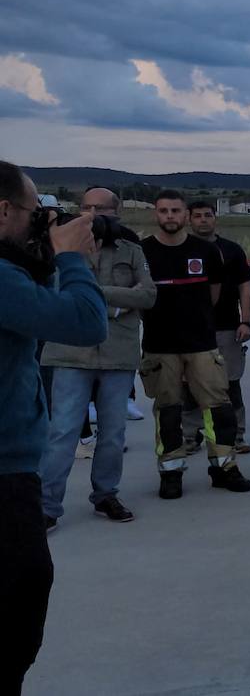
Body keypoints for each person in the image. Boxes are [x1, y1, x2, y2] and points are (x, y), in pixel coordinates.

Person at [0, 160, 106, 692]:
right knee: (23, 591)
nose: (41, 219)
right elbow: (85, 323)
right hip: (6, 471)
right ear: (3, 209)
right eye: (33, 210)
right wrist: (72, 258)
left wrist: (42, 249)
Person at [40, 188, 156, 529]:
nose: (92, 214)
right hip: (70, 352)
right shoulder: (60, 251)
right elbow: (55, 293)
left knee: (113, 432)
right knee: (62, 431)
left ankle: (106, 494)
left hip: (117, 353)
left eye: (100, 208)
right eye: (86, 207)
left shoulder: (132, 251)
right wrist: (121, 303)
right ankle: (47, 506)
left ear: (115, 212)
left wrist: (92, 295)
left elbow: (148, 295)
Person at [139, 190, 250, 499]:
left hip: (202, 343)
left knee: (219, 409)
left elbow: (213, 295)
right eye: (164, 211)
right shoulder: (142, 251)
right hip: (160, 345)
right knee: (168, 412)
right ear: (156, 215)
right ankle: (171, 473)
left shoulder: (204, 251)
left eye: (176, 210)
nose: (170, 216)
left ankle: (223, 468)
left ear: (185, 215)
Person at [180, 200, 250, 454]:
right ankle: (190, 435)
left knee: (230, 384)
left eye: (208, 215)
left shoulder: (232, 251)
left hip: (227, 327)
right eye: (198, 215)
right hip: (189, 330)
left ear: (216, 218)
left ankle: (236, 435)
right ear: (189, 219)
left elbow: (245, 288)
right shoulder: (180, 249)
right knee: (188, 385)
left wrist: (246, 321)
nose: (203, 220)